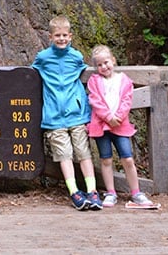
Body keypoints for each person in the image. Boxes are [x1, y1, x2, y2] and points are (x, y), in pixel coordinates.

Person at [32, 15, 101, 210]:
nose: (61, 39)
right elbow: (31, 74)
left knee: (83, 153)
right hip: (54, 117)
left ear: (70, 36)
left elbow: (82, 72)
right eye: (57, 35)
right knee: (64, 155)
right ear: (50, 37)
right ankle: (74, 192)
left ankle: (92, 191)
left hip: (76, 114)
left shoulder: (76, 57)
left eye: (64, 35)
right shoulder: (43, 58)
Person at [87, 44, 159, 209]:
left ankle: (136, 192)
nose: (104, 67)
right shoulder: (94, 81)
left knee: (127, 158)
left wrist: (117, 116)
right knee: (106, 159)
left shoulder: (124, 79)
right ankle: (111, 192)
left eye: (106, 62)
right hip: (101, 125)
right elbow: (95, 100)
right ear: (96, 67)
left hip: (120, 125)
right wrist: (108, 117)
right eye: (99, 65)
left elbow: (127, 99)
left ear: (113, 60)